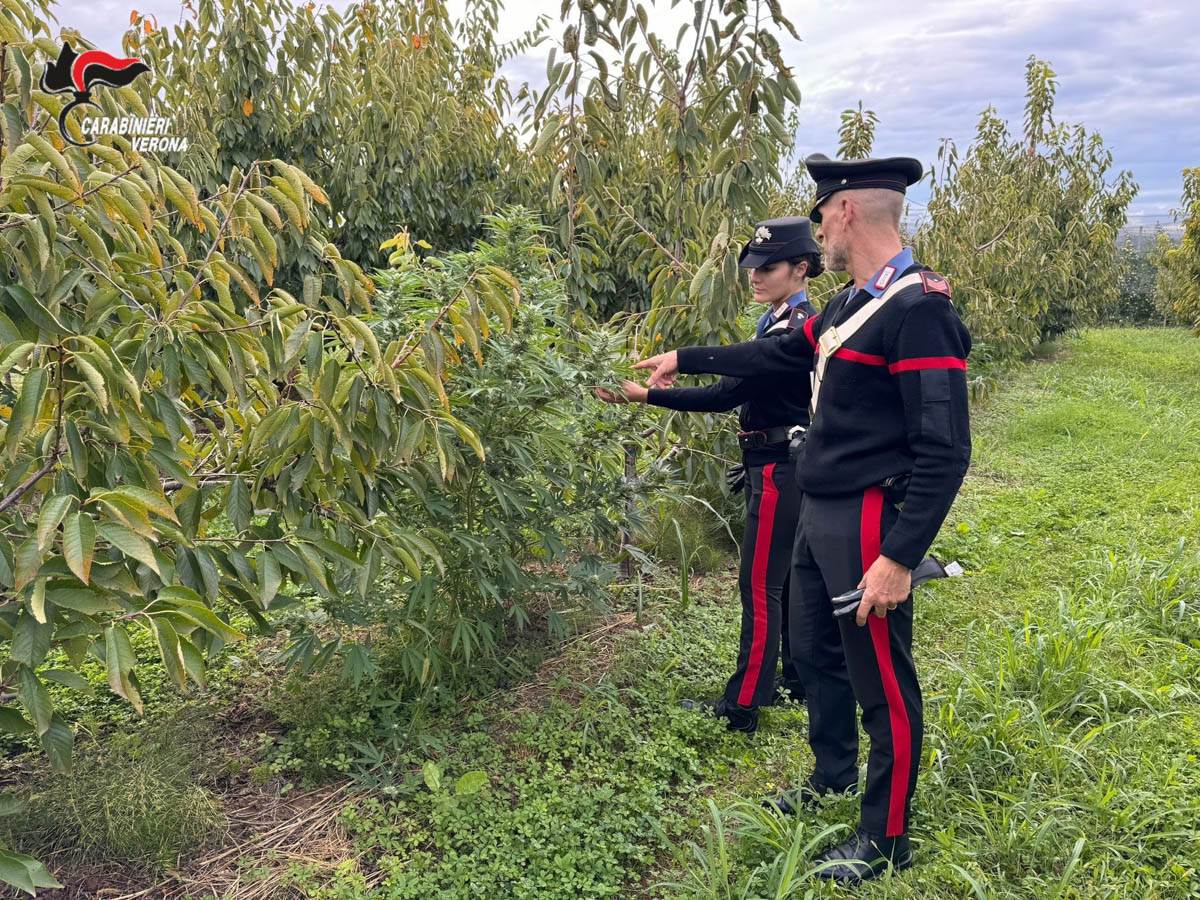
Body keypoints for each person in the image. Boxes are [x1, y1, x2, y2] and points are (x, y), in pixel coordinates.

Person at [633, 154, 972, 884]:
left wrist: (900, 556)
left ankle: (885, 837)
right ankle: (832, 773)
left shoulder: (920, 311)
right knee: (817, 657)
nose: (819, 230)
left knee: (882, 679)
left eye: (821, 215)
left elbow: (946, 450)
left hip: (868, 517)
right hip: (820, 512)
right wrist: (681, 357)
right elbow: (777, 352)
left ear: (846, 211)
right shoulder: (848, 306)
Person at [598, 217, 822, 736]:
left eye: (768, 268)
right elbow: (728, 394)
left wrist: (680, 362)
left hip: (779, 469)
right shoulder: (775, 322)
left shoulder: (796, 330)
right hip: (774, 465)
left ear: (802, 269)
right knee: (782, 583)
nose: (755, 277)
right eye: (752, 268)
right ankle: (794, 680)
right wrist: (649, 395)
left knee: (760, 587)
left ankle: (743, 705)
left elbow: (744, 371)